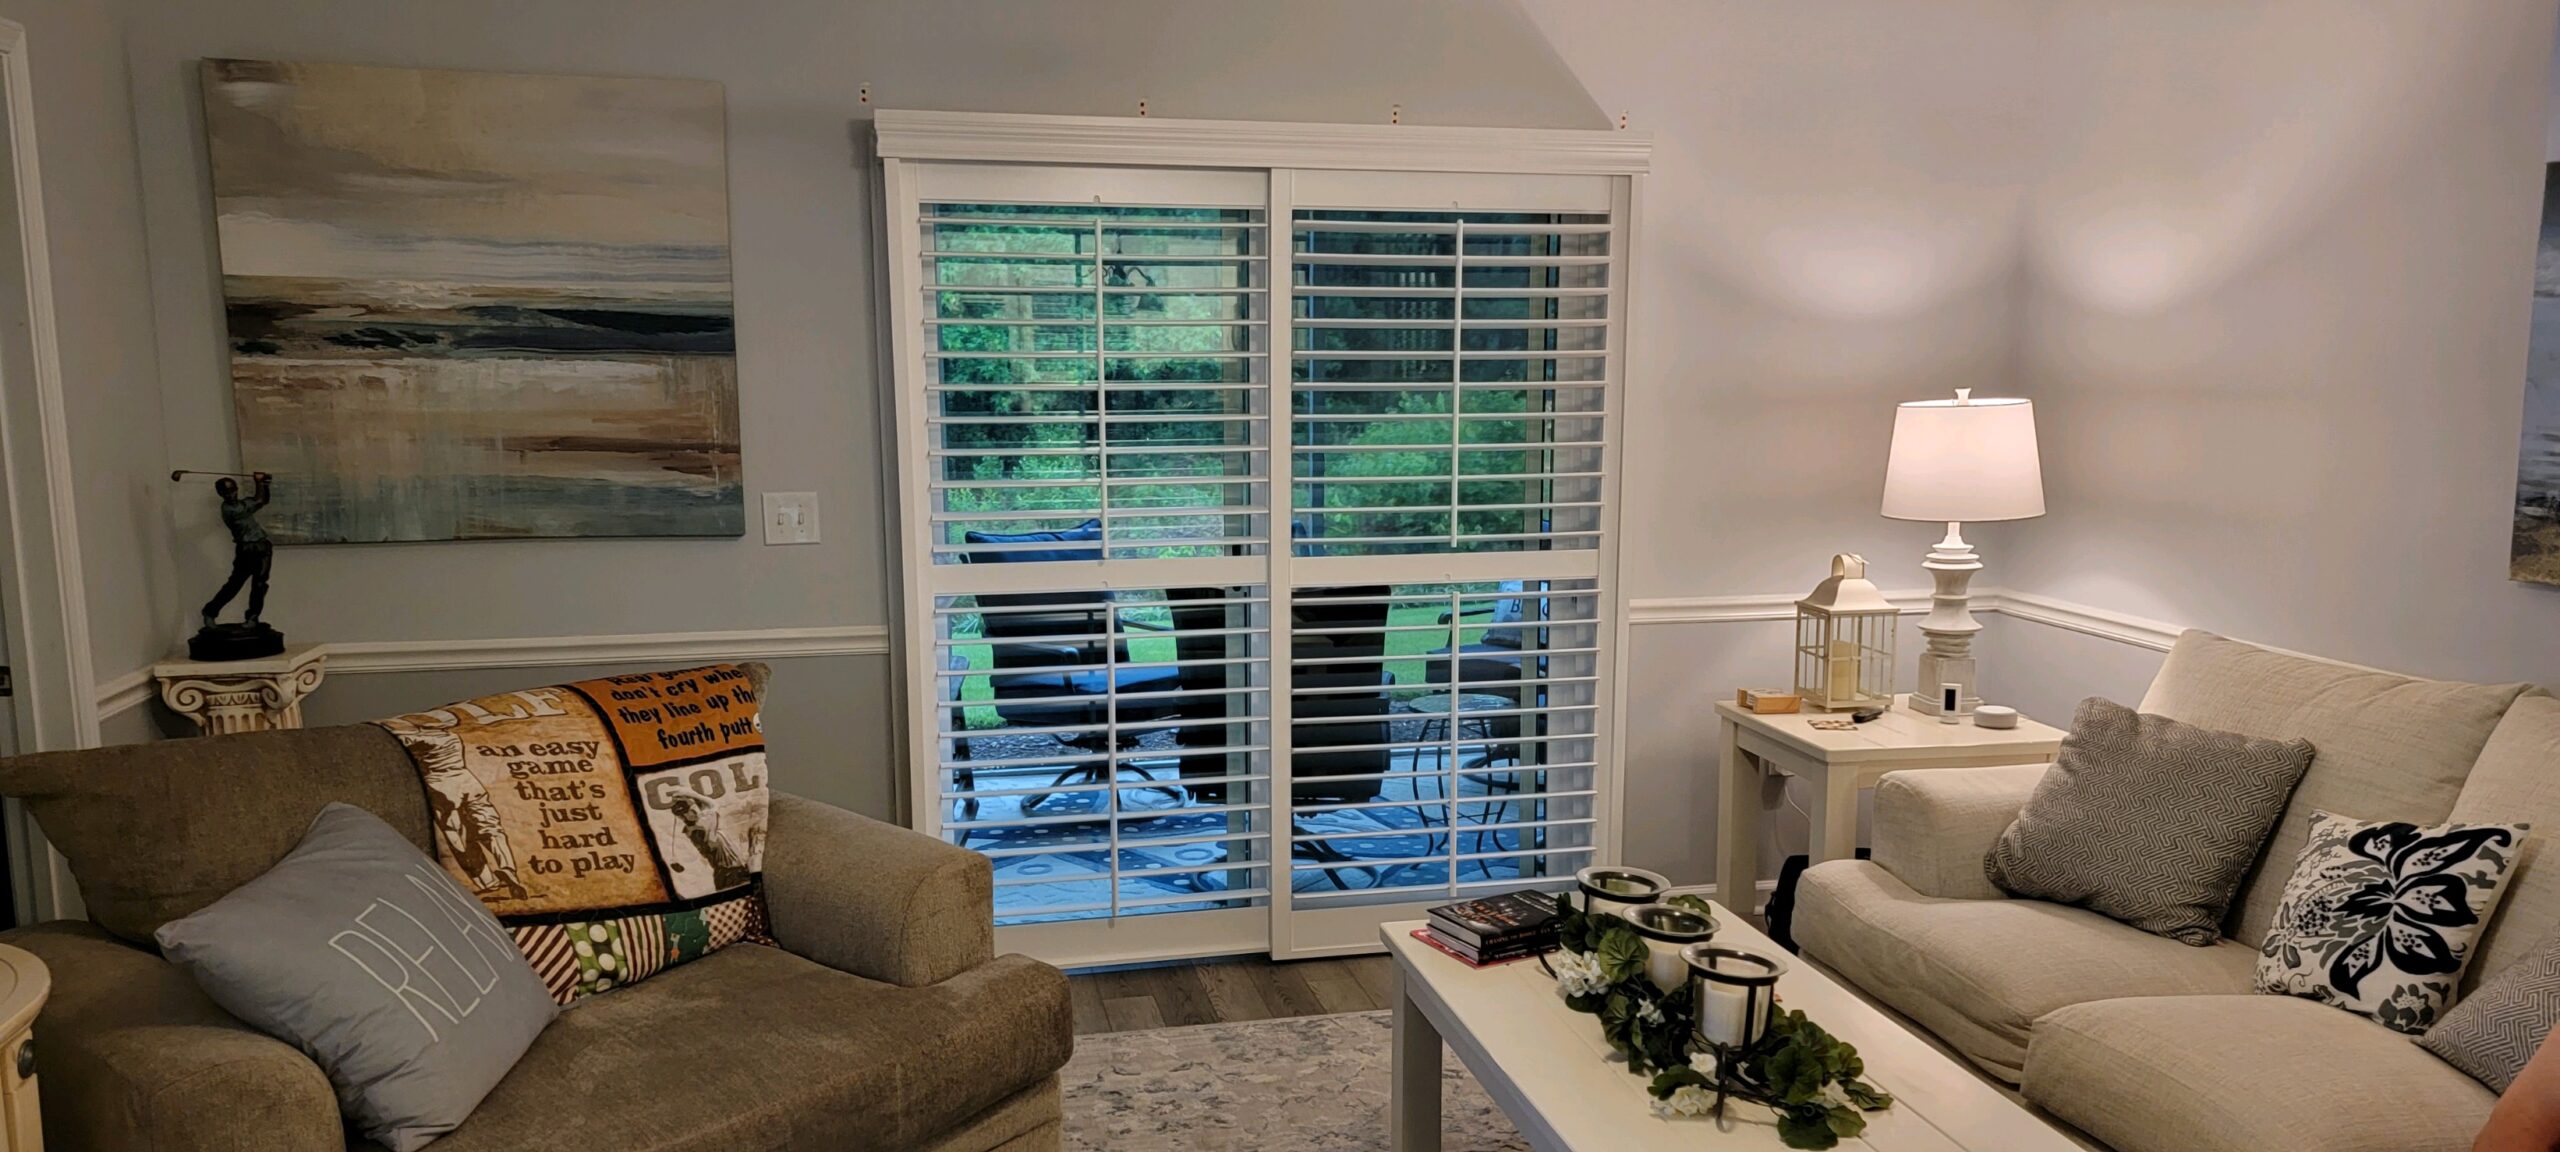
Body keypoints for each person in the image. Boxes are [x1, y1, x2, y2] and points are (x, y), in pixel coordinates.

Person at [202, 471, 273, 627]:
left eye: (233, 490)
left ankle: (253, 617)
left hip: (262, 546)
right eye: (226, 492)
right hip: (246, 549)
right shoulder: (229, 510)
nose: (230, 494)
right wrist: (259, 483)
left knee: (260, 584)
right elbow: (259, 500)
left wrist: (265, 484)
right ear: (220, 494)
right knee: (235, 585)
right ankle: (210, 611)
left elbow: (263, 500)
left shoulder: (243, 504)